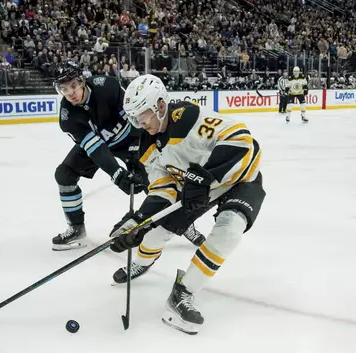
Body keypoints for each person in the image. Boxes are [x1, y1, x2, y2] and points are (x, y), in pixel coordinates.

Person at [109, 74, 266, 335]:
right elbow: (163, 188)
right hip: (196, 187)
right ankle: (144, 261)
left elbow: (242, 141)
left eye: (142, 114)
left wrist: (207, 176)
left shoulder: (189, 117)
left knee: (229, 231)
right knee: (158, 230)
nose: (139, 122)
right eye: (134, 117)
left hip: (240, 177)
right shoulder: (147, 145)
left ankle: (184, 290)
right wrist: (139, 221)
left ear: (160, 105)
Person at [51, 61, 148, 250]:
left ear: (82, 81)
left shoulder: (108, 86)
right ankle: (76, 228)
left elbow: (135, 116)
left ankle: (177, 221)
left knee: (152, 181)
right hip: (101, 145)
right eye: (64, 89)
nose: (70, 93)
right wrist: (117, 173)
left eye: (73, 86)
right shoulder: (67, 118)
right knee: (64, 174)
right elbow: (95, 147)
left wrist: (137, 154)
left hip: (131, 139)